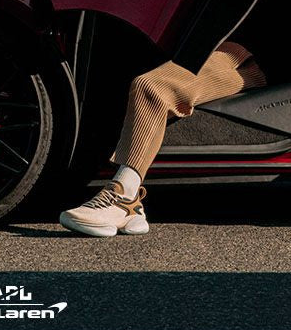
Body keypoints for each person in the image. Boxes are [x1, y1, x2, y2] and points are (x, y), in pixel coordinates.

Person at [59, 41, 266, 237]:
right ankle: (132, 210)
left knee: (150, 88)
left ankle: (122, 197)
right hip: (197, 42)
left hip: (238, 54)